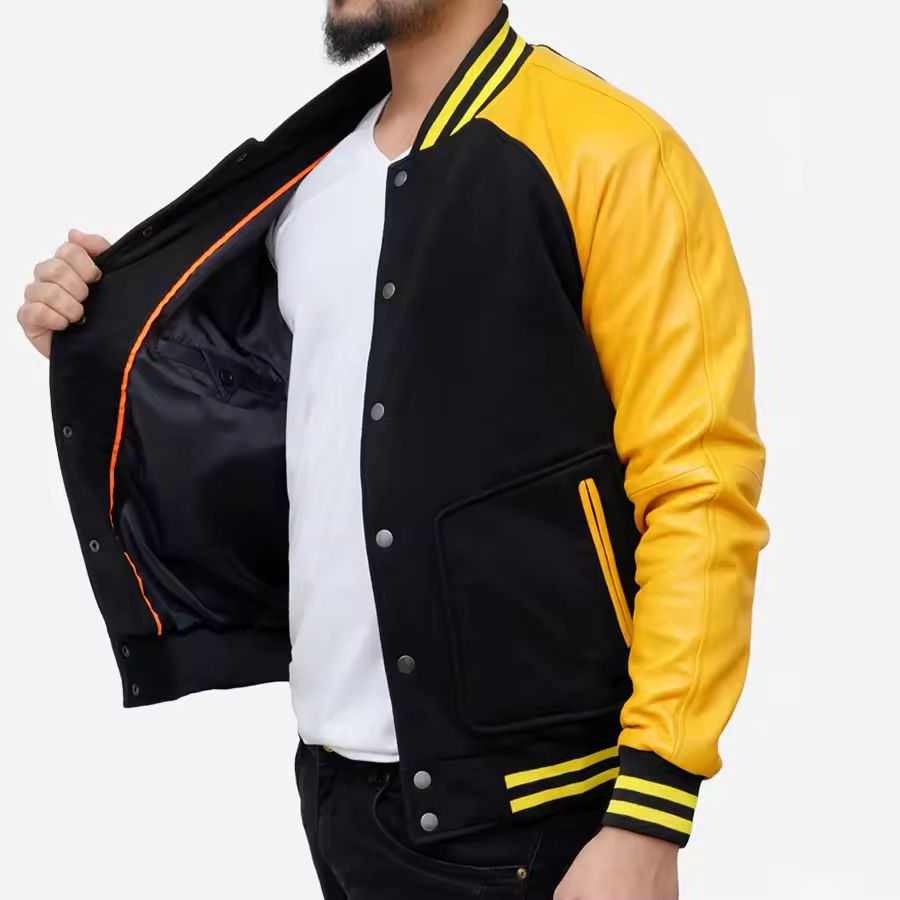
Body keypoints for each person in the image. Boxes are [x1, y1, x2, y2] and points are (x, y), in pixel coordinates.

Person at [16, 1, 769, 897]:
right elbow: (289, 420)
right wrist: (102, 344)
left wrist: (650, 810)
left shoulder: (612, 150)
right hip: (335, 788)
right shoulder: (310, 179)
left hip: (534, 812)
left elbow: (701, 488)